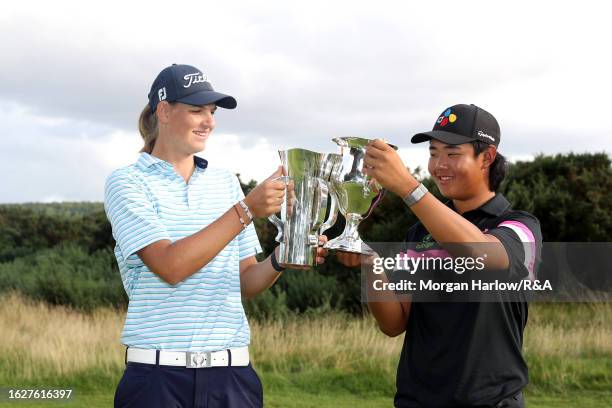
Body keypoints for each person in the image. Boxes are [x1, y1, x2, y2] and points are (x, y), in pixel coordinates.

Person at [104, 63, 328, 408]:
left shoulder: (224, 183)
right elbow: (170, 266)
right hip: (158, 377)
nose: (209, 121)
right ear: (163, 111)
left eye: (211, 111)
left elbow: (245, 281)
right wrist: (246, 210)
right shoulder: (127, 182)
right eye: (197, 110)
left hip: (232, 375)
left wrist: (283, 256)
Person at [337, 104, 542, 408]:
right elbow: (394, 324)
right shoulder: (419, 234)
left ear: (487, 157)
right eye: (433, 153)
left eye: (452, 153)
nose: (438, 165)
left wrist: (408, 186)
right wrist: (371, 266)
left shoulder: (520, 227)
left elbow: (482, 253)